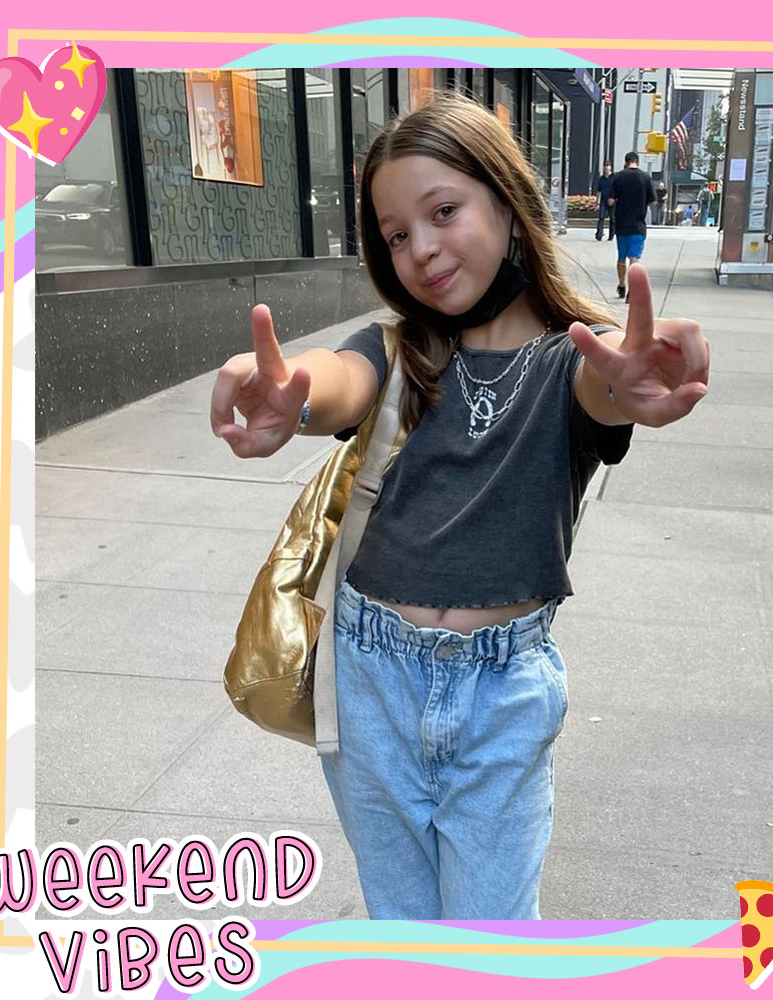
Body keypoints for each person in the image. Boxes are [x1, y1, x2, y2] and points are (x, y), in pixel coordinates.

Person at [209, 95, 709, 921]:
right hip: (370, 679)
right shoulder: (400, 347)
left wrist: (632, 382)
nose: (422, 249)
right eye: (397, 233)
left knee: (491, 941)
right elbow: (338, 383)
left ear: (508, 206)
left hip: (499, 700)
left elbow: (605, 390)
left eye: (444, 212)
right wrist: (292, 396)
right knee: (403, 934)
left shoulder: (575, 358)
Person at [606, 151, 656, 301]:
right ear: (637, 162)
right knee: (634, 258)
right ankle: (632, 291)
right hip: (638, 225)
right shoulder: (645, 177)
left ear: (626, 162)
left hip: (621, 225)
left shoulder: (618, 177)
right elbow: (653, 200)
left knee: (621, 257)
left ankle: (621, 285)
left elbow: (610, 201)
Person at [592, 161, 615, 240]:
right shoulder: (601, 179)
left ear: (610, 167)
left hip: (612, 201)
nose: (606, 168)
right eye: (605, 166)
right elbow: (599, 191)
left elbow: (618, 189)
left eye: (608, 166)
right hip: (603, 201)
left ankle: (611, 235)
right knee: (601, 217)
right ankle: (599, 234)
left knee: (612, 218)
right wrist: (597, 202)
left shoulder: (614, 177)